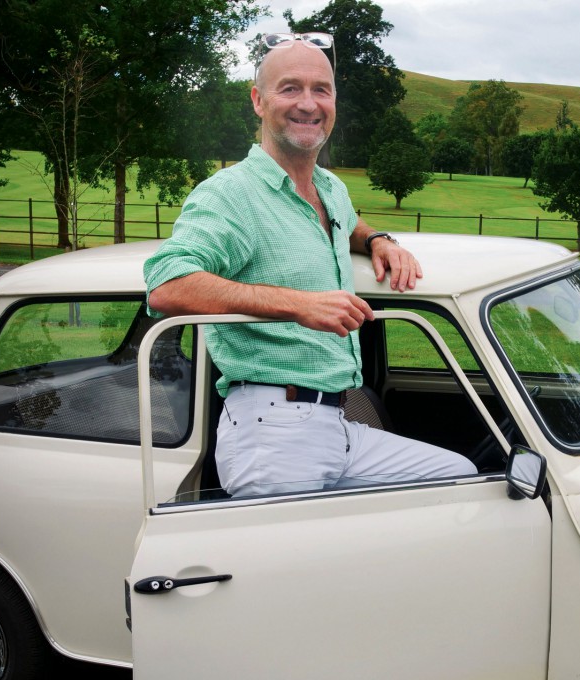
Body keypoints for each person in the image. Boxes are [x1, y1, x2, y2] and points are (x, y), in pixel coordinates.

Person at [143, 32, 474, 497]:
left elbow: (347, 222)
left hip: (338, 424)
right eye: (290, 88)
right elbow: (166, 284)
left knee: (460, 479)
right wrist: (298, 305)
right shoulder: (230, 194)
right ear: (258, 100)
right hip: (271, 432)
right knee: (289, 565)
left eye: (321, 89)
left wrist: (377, 239)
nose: (308, 103)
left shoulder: (330, 187)